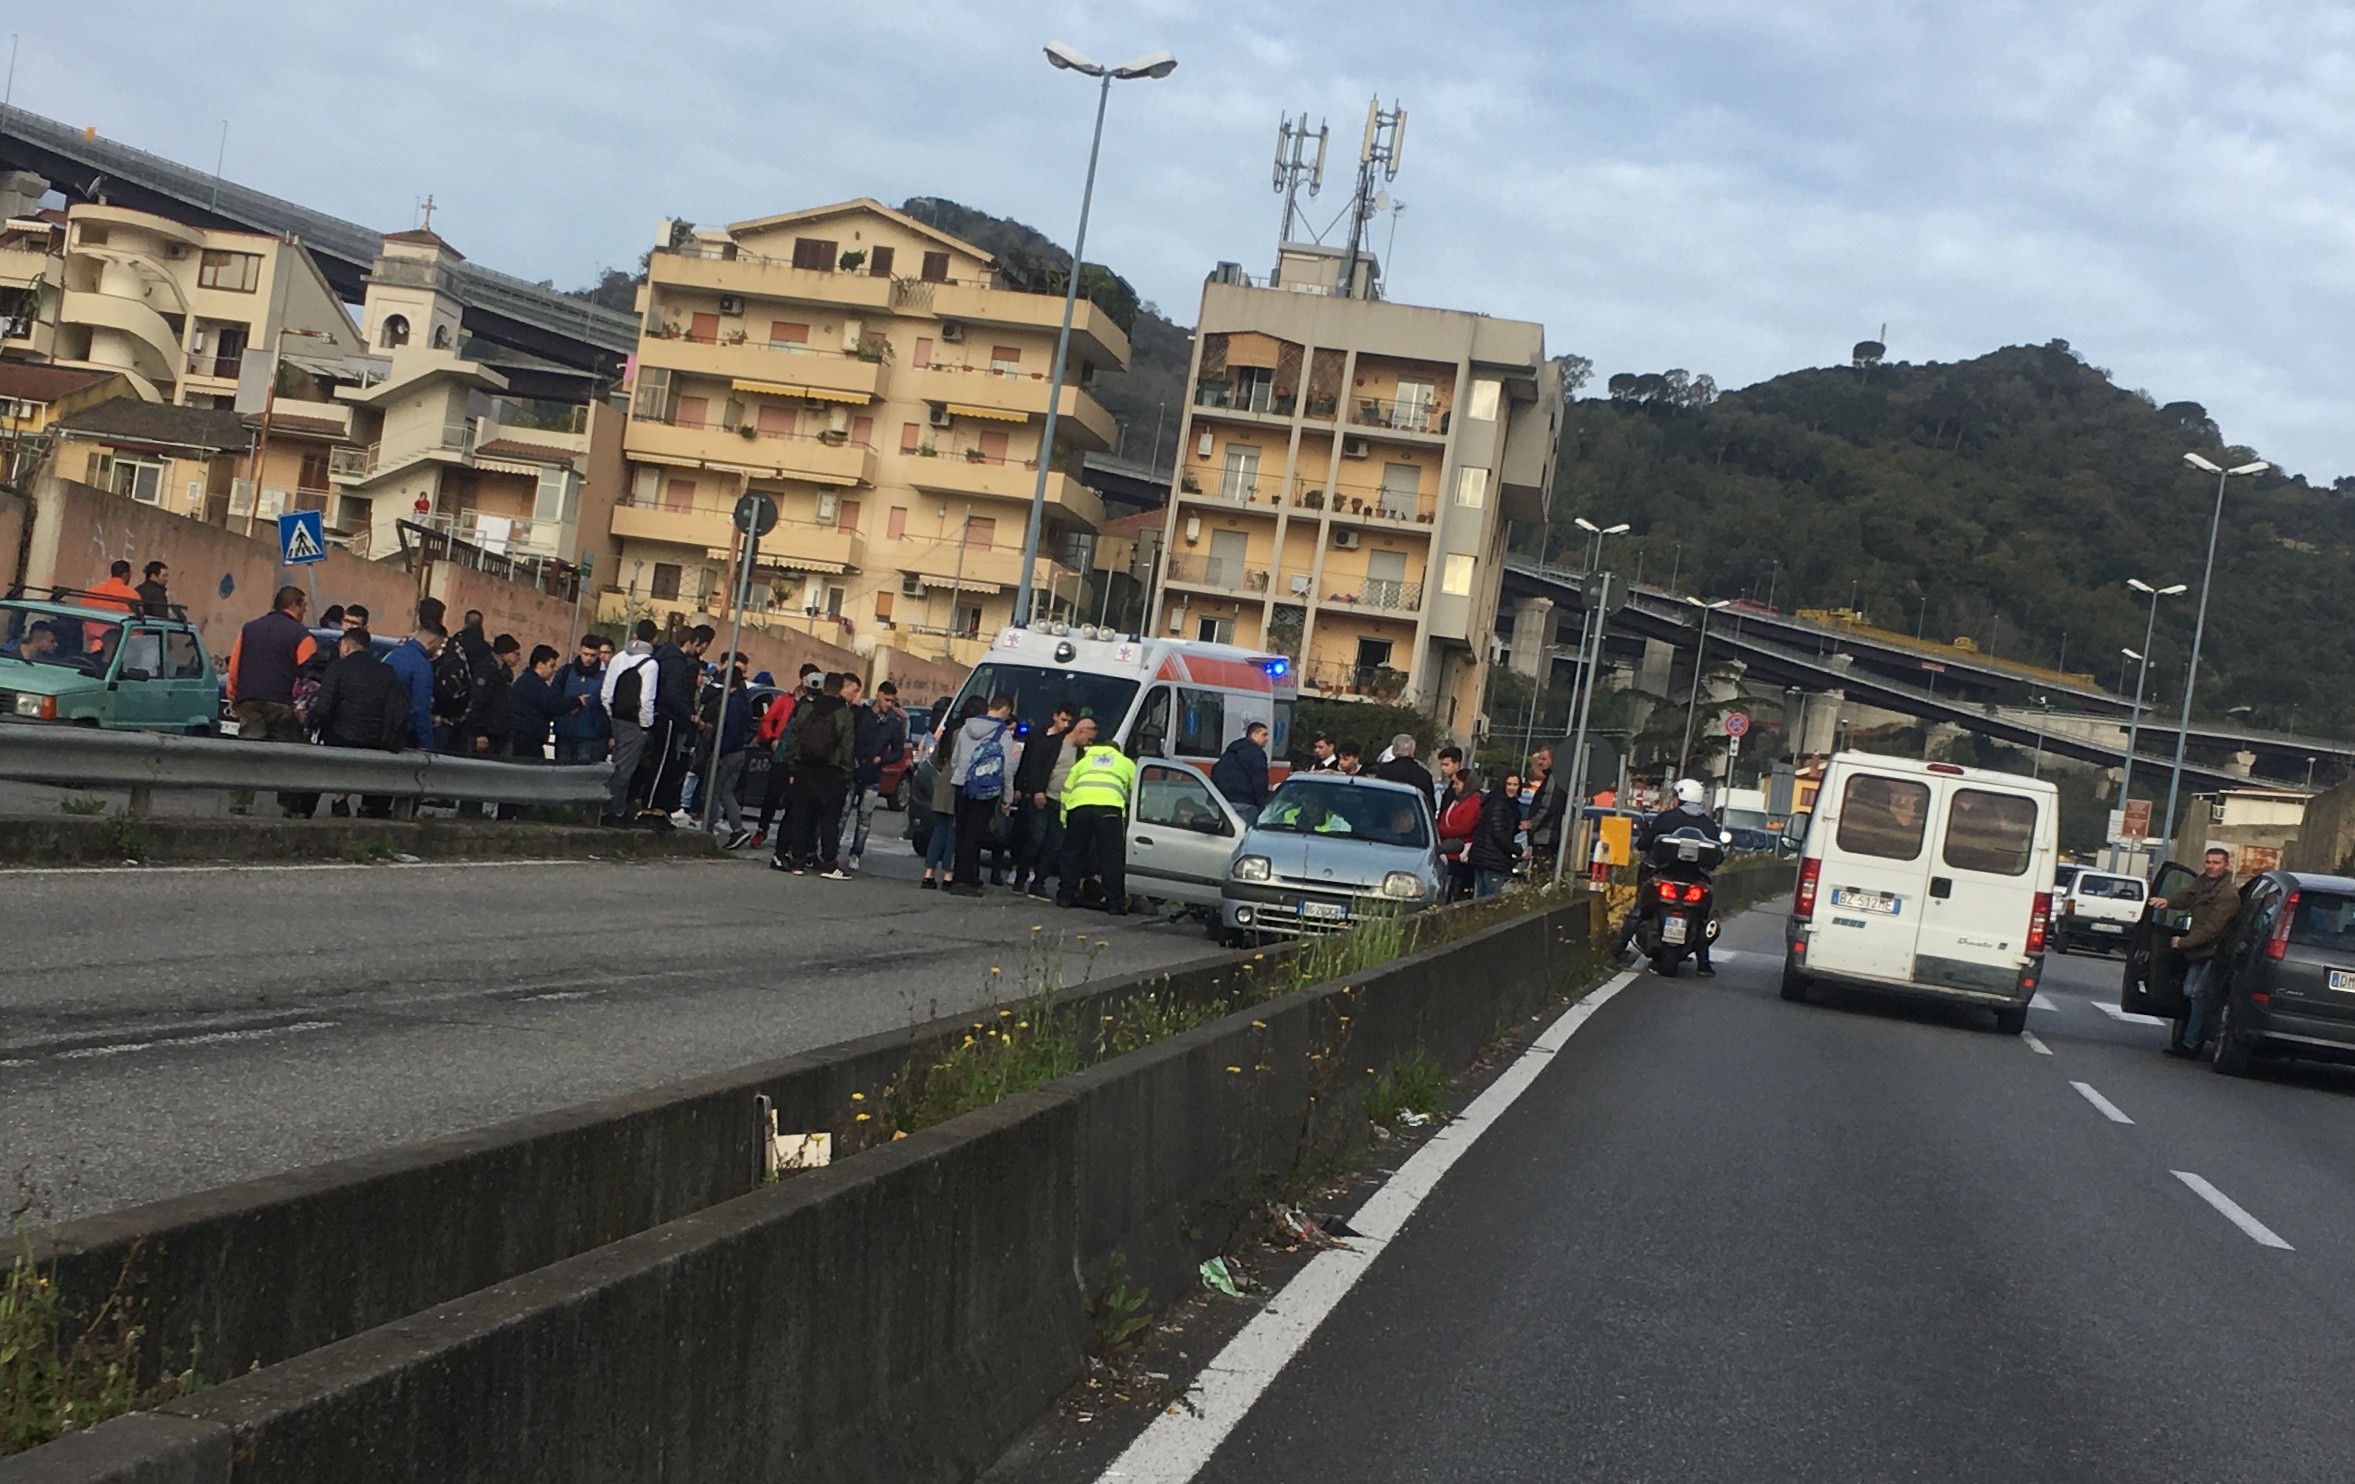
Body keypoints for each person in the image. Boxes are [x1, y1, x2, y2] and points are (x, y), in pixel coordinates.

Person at [224, 585, 319, 817]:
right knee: (288, 754)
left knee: (249, 753)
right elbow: (308, 677)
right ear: (294, 604)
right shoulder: (302, 636)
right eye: (304, 605)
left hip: (250, 699)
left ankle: (239, 804)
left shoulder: (249, 629)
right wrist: (304, 709)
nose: (305, 610)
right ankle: (289, 807)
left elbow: (234, 667)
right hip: (283, 703)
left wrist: (234, 698)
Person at [1619, 779, 1723, 975]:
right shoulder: (1709, 825)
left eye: (1675, 796)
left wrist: (1645, 844)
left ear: (1680, 797)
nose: (1673, 800)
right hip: (1696, 879)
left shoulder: (1666, 818)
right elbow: (1719, 856)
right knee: (1702, 916)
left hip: (1665, 874)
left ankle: (1619, 947)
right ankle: (1704, 963)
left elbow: (1644, 843)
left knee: (1639, 908)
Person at [309, 628, 409, 816]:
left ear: (346, 647)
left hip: (339, 736)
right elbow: (399, 709)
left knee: (320, 771)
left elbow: (323, 706)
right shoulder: (386, 672)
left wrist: (313, 725)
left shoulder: (338, 668)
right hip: (373, 741)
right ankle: (356, 805)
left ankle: (321, 806)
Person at [2155, 846, 2240, 1059]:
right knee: (2188, 991)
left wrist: (2183, 942)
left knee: (2198, 994)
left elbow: (2213, 929)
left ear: (2226, 865)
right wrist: (2168, 901)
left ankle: (2191, 1043)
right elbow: (2187, 897)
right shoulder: (2202, 883)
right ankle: (2191, 1036)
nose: (2211, 866)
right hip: (2198, 951)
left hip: (2214, 952)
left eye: (2216, 863)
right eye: (2209, 862)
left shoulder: (2228, 894)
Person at [779, 671, 858, 877]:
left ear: (823, 687)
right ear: (840, 688)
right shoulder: (844, 714)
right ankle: (829, 863)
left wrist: (792, 766)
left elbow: (793, 738)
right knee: (829, 820)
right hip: (832, 772)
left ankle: (798, 861)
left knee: (801, 815)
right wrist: (847, 774)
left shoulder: (806, 709)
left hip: (804, 768)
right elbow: (847, 747)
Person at [1057, 716, 1135, 915]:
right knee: (1111, 857)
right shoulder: (1124, 762)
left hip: (1079, 809)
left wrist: (1065, 819)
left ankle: (1066, 895)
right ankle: (1114, 903)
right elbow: (1138, 793)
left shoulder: (1084, 762)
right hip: (1109, 810)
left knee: (1072, 853)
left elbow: (1066, 790)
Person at [946, 693, 1021, 897]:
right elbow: (1006, 769)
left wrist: (959, 776)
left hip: (962, 784)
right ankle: (964, 880)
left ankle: (959, 874)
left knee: (962, 832)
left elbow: (955, 758)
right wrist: (1007, 797)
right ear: (1005, 710)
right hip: (985, 789)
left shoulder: (965, 728)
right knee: (975, 834)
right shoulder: (1002, 733)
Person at [641, 623, 710, 828]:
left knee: (663, 764)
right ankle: (651, 808)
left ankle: (656, 808)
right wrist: (689, 715)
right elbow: (673, 694)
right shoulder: (676, 663)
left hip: (663, 715)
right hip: (668, 718)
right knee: (662, 764)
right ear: (689, 643)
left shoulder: (663, 657)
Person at [751, 662, 822, 848]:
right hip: (781, 755)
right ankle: (762, 829)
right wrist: (772, 739)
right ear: (801, 679)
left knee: (795, 800)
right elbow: (767, 721)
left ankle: (789, 837)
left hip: (801, 759)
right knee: (772, 795)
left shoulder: (817, 705)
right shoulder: (785, 700)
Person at [1010, 703, 1075, 896]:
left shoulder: (1069, 742)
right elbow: (1030, 763)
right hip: (1039, 794)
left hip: (1060, 799)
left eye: (1069, 722)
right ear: (1055, 716)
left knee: (1053, 843)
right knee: (1035, 838)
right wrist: (1021, 786)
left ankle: (1039, 882)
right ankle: (1021, 876)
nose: (1065, 724)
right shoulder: (1041, 736)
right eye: (1063, 719)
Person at [843, 680, 908, 871]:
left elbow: (898, 750)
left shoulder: (894, 723)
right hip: (854, 771)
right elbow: (848, 737)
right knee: (843, 813)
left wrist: (883, 759)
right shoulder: (861, 715)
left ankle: (856, 853)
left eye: (892, 701)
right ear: (878, 695)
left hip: (873, 775)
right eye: (887, 700)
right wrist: (851, 757)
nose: (889, 704)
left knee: (865, 818)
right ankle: (832, 849)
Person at [921, 695, 985, 889]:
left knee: (939, 828)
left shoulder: (950, 728)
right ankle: (948, 875)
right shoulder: (970, 732)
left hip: (944, 779)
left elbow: (936, 758)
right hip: (960, 780)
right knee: (954, 831)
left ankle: (928, 873)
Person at [600, 622, 660, 825]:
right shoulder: (650, 664)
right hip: (634, 723)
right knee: (625, 770)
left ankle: (607, 806)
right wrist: (645, 726)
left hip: (616, 719)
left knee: (615, 765)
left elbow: (606, 693)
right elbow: (647, 700)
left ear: (634, 635)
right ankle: (614, 811)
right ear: (654, 639)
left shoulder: (618, 658)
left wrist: (612, 715)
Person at [705, 668, 755, 849]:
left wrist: (720, 752)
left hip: (728, 753)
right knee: (726, 792)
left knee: (713, 791)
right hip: (739, 751)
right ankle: (738, 829)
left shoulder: (732, 703)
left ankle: (707, 830)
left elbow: (730, 730)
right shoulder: (744, 700)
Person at [384, 623, 444, 758]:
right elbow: (420, 706)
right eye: (439, 646)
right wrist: (426, 742)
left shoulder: (393, 655)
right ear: (432, 641)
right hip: (405, 731)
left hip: (383, 726)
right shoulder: (422, 666)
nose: (438, 650)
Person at [552, 635, 609, 765]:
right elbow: (554, 698)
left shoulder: (605, 677)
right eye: (585, 654)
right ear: (579, 651)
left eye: (592, 655)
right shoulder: (565, 672)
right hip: (565, 732)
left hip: (589, 735)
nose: (588, 659)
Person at [1468, 772, 1525, 899]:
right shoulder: (1500, 804)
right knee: (1489, 898)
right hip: (1493, 859)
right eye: (1509, 784)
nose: (1512, 787)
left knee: (1480, 896)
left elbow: (1500, 828)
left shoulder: (1496, 801)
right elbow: (1498, 833)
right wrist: (1517, 850)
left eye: (1515, 784)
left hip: (1484, 856)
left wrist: (1517, 827)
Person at [1435, 747, 1481, 902]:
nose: (1442, 769)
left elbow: (1465, 826)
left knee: (1456, 889)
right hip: (1448, 850)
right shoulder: (1456, 798)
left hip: (1460, 853)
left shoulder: (1472, 801)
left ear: (1457, 764)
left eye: (1446, 765)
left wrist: (1442, 829)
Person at [510, 644, 565, 762]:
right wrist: (576, 702)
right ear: (540, 665)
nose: (554, 670)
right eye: (551, 666)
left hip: (528, 736)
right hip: (526, 738)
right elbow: (552, 703)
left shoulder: (527, 681)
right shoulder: (533, 684)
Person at [1211, 721, 1274, 817]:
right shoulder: (1257, 754)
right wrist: (1262, 805)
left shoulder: (1230, 752)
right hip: (1246, 803)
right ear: (1254, 734)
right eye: (1264, 735)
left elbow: (1217, 772)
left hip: (1224, 802)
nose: (1267, 739)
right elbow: (1260, 781)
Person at [1525, 746, 1567, 869]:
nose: (1539, 762)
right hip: (1546, 836)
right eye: (1539, 759)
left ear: (1553, 760)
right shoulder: (1553, 778)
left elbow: (1547, 807)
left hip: (1545, 837)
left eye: (1543, 759)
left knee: (1540, 872)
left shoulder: (1553, 779)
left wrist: (1532, 825)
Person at [1373, 733, 1435, 801]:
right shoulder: (1424, 775)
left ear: (1393, 751)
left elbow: (1375, 797)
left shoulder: (1384, 771)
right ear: (1412, 751)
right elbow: (1430, 805)